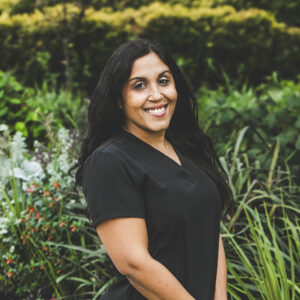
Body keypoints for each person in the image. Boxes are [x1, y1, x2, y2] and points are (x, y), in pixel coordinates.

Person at [74, 39, 232, 299]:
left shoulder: (186, 150)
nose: (157, 95)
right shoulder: (109, 162)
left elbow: (210, 231)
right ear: (117, 99)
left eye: (163, 80)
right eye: (139, 86)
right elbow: (134, 264)